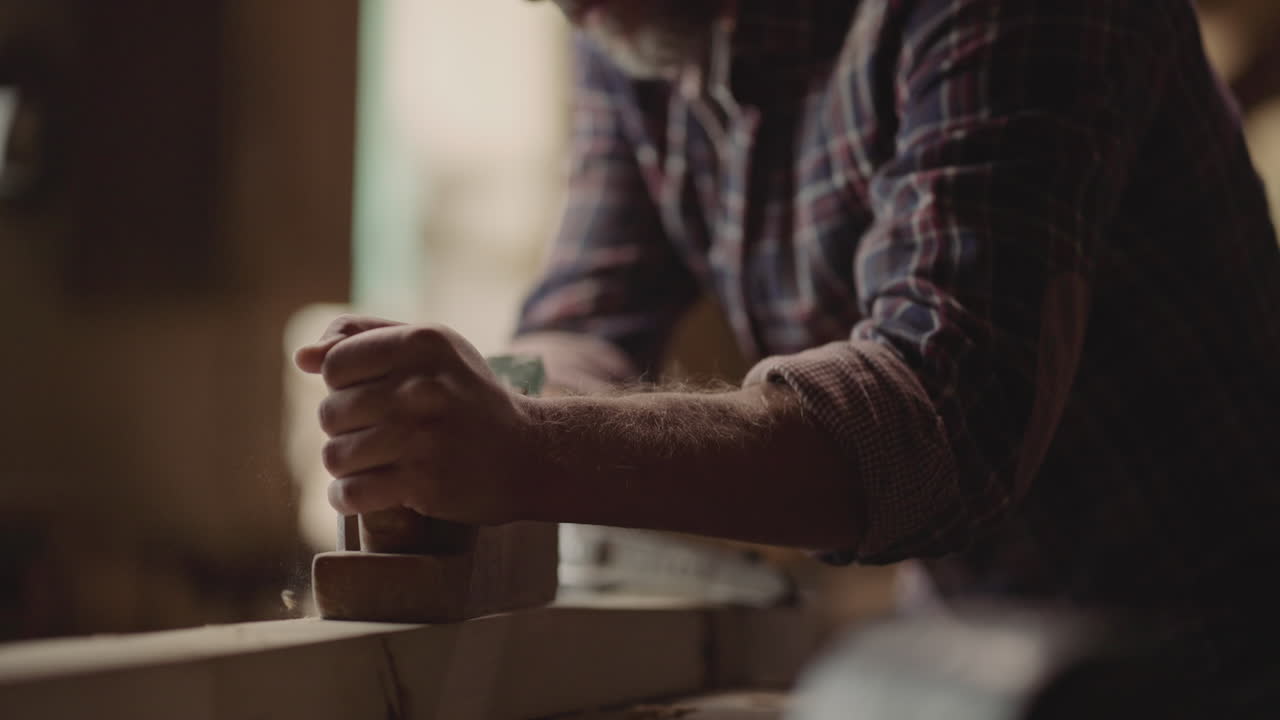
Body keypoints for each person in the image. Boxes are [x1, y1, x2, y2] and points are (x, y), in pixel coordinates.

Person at [296, 0, 1280, 707]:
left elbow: (936, 421)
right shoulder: (631, 27)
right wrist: (444, 421)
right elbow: (590, 313)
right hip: (985, 641)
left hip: (1223, 649)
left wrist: (522, 446)